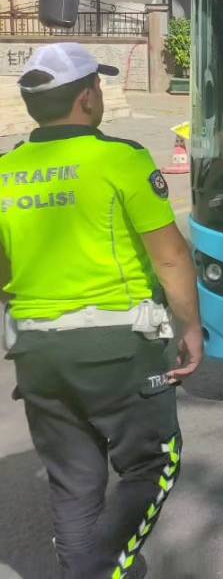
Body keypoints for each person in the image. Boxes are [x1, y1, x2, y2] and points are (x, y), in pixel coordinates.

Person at [0, 43, 203, 579]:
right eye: (100, 87)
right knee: (154, 464)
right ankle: (101, 570)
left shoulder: (7, 169)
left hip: (37, 350)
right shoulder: (121, 159)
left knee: (73, 482)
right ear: (88, 97)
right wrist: (192, 327)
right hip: (118, 349)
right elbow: (170, 254)